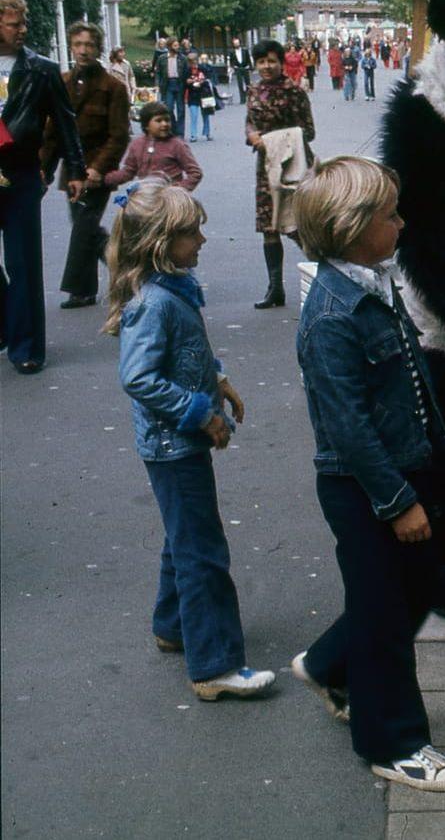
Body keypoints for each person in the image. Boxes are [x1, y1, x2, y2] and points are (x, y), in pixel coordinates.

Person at [290, 155, 445, 793]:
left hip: (404, 468)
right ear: (350, 227)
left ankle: (330, 663)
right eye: (390, 215)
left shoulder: (370, 282)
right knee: (388, 611)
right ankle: (392, 741)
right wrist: (397, 503)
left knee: (414, 589)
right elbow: (349, 428)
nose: (402, 222)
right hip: (365, 486)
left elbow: (406, 381)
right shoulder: (332, 316)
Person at [103, 178, 277, 702]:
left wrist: (219, 381)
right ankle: (215, 663)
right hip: (173, 444)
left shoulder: (172, 288)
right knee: (202, 549)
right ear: (159, 242)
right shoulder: (156, 301)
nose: (202, 240)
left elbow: (189, 352)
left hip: (173, 443)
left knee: (183, 533)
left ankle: (173, 623)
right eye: (190, 232)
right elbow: (139, 377)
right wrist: (201, 413)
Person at [0, 0, 85, 374]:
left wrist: (76, 171)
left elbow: (66, 123)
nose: (22, 30)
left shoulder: (41, 69)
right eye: (14, 24)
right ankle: (7, 322)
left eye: (23, 23)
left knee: (24, 262)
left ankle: (27, 347)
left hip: (19, 175)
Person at [41, 21, 130, 311]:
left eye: (89, 45)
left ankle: (82, 288)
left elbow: (119, 135)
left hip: (97, 169)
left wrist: (99, 168)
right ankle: (124, 271)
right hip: (71, 170)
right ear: (71, 46)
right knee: (85, 227)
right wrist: (43, 168)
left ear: (98, 48)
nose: (83, 50)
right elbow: (53, 132)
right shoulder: (62, 82)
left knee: (84, 225)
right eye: (78, 44)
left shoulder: (113, 87)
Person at [245, 39, 316, 309]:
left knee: (296, 226)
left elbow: (308, 131)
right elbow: (250, 122)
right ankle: (275, 289)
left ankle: (327, 278)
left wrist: (272, 140)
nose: (266, 66)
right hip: (265, 168)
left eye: (271, 61)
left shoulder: (294, 91)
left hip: (292, 167)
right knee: (269, 227)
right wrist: (251, 135)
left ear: (281, 62)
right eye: (261, 61)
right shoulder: (253, 90)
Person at [106, 102, 203, 191]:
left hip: (171, 201)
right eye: (159, 121)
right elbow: (128, 171)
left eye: (167, 120)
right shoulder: (137, 145)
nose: (164, 124)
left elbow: (195, 173)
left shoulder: (177, 145)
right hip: (146, 199)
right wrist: (105, 179)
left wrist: (178, 190)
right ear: (146, 125)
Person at [154, 39, 188, 136]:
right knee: (168, 108)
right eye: (175, 45)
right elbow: (158, 72)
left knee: (181, 109)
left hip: (179, 84)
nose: (178, 47)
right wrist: (157, 84)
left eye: (178, 45)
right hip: (167, 84)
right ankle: (174, 129)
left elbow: (186, 72)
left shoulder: (182, 58)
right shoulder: (162, 58)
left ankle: (180, 133)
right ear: (169, 47)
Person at [184, 51, 216, 143]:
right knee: (193, 115)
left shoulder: (203, 68)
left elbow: (208, 79)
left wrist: (203, 81)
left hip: (203, 94)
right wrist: (187, 82)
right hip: (192, 95)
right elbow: (184, 82)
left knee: (206, 114)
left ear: (197, 60)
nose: (193, 64)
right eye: (191, 62)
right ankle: (193, 135)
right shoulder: (187, 70)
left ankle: (207, 133)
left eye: (194, 61)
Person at [229, 39, 252, 104]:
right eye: (235, 43)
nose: (236, 44)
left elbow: (249, 59)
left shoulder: (245, 50)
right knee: (240, 84)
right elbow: (231, 61)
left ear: (240, 43)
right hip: (238, 68)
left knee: (248, 84)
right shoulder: (232, 52)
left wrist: (250, 67)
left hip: (245, 67)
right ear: (233, 44)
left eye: (237, 43)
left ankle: (249, 98)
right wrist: (233, 67)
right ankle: (242, 99)